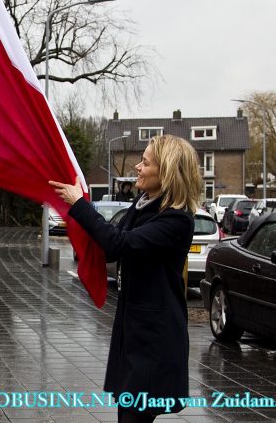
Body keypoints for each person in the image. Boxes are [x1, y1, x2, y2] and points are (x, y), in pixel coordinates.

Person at [49, 134, 201, 422]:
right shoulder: (144, 204)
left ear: (166, 171)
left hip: (155, 340)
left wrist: (80, 205)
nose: (137, 167)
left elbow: (120, 243)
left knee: (132, 416)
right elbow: (112, 247)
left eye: (145, 162)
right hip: (134, 332)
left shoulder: (177, 220)